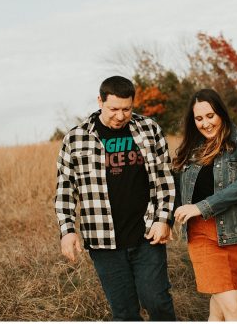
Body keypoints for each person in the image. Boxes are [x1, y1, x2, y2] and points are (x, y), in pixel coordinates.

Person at [54, 75, 177, 320]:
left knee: (157, 302)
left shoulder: (149, 130)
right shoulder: (76, 138)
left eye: (126, 109)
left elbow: (166, 179)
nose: (120, 116)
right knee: (124, 313)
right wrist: (67, 231)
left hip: (147, 235)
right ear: (100, 101)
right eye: (113, 109)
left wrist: (164, 219)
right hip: (103, 241)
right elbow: (65, 189)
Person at [171, 89, 237, 321]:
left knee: (220, 303)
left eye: (210, 116)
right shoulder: (189, 152)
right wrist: (163, 220)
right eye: (199, 118)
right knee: (234, 307)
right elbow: (172, 191)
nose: (206, 123)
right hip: (202, 235)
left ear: (221, 113)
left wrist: (202, 206)